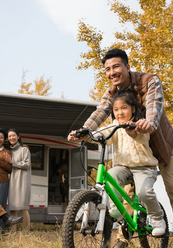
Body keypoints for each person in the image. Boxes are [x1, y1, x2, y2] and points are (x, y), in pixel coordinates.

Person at [74, 48, 173, 248]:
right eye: (107, 69)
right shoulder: (112, 92)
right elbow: (101, 111)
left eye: (116, 67)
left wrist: (149, 123)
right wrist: (84, 130)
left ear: (127, 67)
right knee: (128, 193)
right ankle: (124, 238)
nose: (112, 72)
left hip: (161, 146)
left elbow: (153, 106)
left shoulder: (149, 81)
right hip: (133, 153)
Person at [69, 91, 166, 237]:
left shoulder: (139, 124)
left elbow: (142, 138)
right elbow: (101, 133)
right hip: (124, 167)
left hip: (144, 167)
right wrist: (83, 136)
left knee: (144, 193)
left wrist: (133, 133)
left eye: (124, 108)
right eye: (116, 110)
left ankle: (158, 218)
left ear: (133, 109)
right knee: (110, 177)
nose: (120, 112)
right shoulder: (114, 125)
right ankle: (117, 210)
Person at [7, 129, 32, 232]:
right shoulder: (8, 151)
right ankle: (13, 232)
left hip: (22, 181)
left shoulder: (24, 149)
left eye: (13, 135)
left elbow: (26, 164)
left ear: (18, 137)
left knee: (23, 208)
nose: (11, 138)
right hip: (11, 182)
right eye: (9, 136)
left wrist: (12, 162)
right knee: (12, 209)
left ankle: (26, 233)